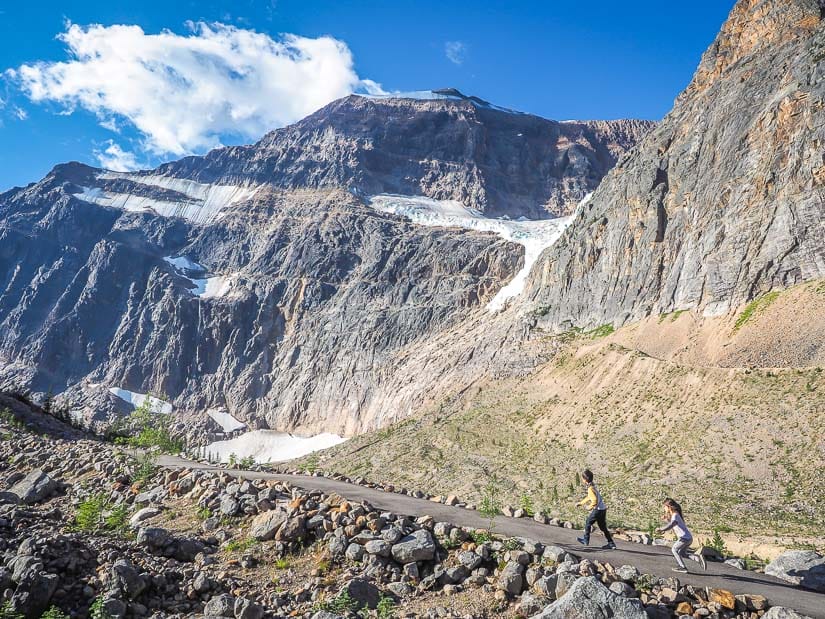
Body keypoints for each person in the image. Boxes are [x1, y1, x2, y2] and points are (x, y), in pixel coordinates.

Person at [657, 498, 707, 573]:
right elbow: (673, 524)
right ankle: (697, 558)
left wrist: (661, 529)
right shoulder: (675, 515)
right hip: (688, 538)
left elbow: (671, 525)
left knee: (674, 549)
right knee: (682, 554)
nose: (664, 508)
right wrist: (666, 519)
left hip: (684, 538)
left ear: (669, 507)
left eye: (665, 506)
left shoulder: (675, 515)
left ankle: (682, 567)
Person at [576, 469, 616, 549]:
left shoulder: (590, 488)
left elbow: (594, 500)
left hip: (598, 509)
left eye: (582, 478)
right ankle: (611, 543)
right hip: (603, 509)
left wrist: (589, 507)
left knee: (588, 522)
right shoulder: (592, 486)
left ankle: (586, 540)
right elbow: (589, 497)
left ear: (585, 479)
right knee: (603, 527)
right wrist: (581, 503)